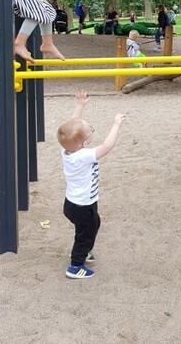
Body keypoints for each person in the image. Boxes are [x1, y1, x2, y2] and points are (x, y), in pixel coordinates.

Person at [56, 90, 127, 279]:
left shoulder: (67, 151)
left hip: (74, 203)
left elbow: (71, 127)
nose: (91, 130)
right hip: (82, 206)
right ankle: (75, 266)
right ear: (86, 142)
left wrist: (80, 105)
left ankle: (84, 251)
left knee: (94, 224)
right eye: (91, 129)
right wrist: (116, 124)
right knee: (85, 234)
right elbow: (107, 146)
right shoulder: (84, 156)